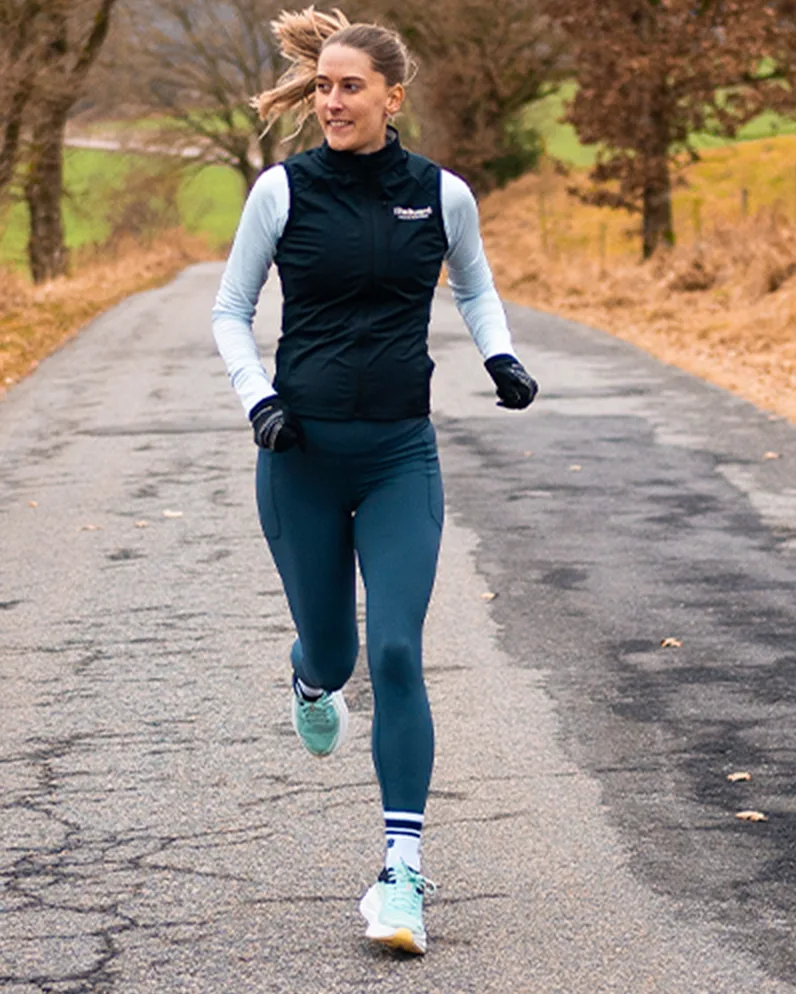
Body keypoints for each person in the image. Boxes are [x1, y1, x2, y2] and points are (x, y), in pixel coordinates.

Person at [211, 6, 538, 956]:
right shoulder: (282, 192)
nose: (332, 101)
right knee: (336, 656)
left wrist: (500, 354)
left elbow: (473, 285)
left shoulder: (440, 195)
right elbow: (231, 310)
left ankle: (401, 875)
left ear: (393, 96)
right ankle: (310, 678)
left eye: (350, 86)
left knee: (395, 652)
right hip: (299, 457)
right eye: (323, 86)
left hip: (400, 455)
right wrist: (259, 400)